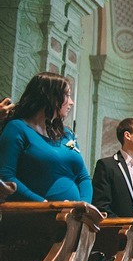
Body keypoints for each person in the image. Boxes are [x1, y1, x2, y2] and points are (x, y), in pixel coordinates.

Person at [0, 72, 91, 202]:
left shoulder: (67, 134)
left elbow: (83, 177)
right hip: (36, 211)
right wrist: (43, 204)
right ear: (50, 96)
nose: (71, 102)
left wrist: (83, 206)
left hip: (74, 213)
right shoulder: (17, 128)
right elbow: (7, 176)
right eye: (67, 95)